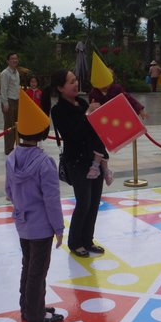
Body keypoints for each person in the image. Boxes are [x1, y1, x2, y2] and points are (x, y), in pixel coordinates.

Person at [5, 89, 64, 322]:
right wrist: (59, 228)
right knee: (38, 270)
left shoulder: (11, 158)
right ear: (43, 133)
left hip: (22, 223)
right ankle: (36, 314)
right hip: (41, 228)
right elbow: (52, 200)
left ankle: (29, 306)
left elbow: (9, 191)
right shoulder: (45, 164)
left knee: (28, 266)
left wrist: (20, 207)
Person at [42, 69, 107, 259]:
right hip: (77, 162)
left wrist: (103, 155)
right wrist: (88, 114)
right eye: (71, 82)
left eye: (76, 80)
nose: (76, 84)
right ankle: (75, 242)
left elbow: (96, 131)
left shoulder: (83, 103)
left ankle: (87, 240)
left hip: (94, 158)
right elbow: (74, 135)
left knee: (95, 201)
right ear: (60, 88)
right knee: (84, 201)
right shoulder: (58, 111)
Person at [0, 52, 20, 155]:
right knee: (9, 126)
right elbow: (3, 89)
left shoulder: (16, 72)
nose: (14, 60)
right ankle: (8, 149)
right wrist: (5, 103)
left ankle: (17, 146)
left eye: (16, 58)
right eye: (12, 59)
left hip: (17, 100)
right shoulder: (5, 73)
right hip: (9, 101)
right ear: (8, 61)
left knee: (17, 125)